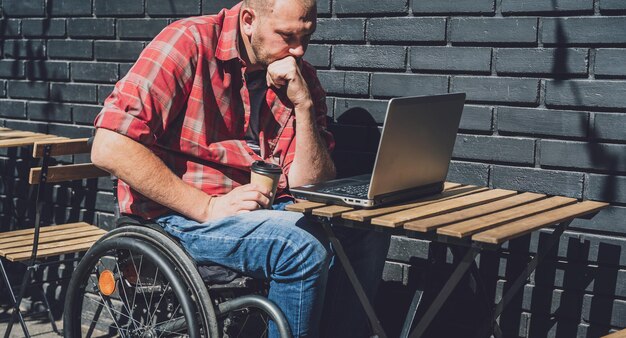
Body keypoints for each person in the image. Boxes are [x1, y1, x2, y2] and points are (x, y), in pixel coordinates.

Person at [91, 0, 390, 336]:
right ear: (249, 20)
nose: (298, 50)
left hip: (263, 208)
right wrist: (206, 206)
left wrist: (304, 106)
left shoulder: (299, 77)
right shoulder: (188, 43)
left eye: (307, 37)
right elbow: (109, 146)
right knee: (299, 245)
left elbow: (309, 185)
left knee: (366, 232)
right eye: (287, 36)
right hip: (178, 217)